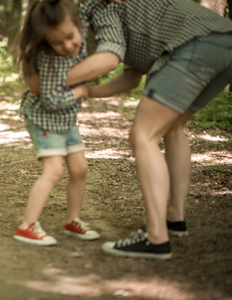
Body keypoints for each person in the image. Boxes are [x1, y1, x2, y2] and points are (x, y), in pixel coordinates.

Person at [61, 0, 232, 259]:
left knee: (143, 135)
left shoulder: (101, 4)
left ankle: (155, 237)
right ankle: (174, 218)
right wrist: (89, 91)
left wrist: (52, 80)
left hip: (194, 45)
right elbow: (132, 76)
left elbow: (109, 58)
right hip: (224, 42)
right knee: (172, 127)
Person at [13, 0, 100, 246]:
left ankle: (72, 221)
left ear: (77, 25)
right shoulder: (50, 59)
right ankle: (27, 226)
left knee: (80, 168)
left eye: (71, 37)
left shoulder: (77, 27)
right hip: (44, 117)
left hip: (67, 118)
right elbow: (50, 100)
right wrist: (79, 91)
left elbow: (88, 11)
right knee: (54, 170)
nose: (67, 45)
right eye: (57, 42)